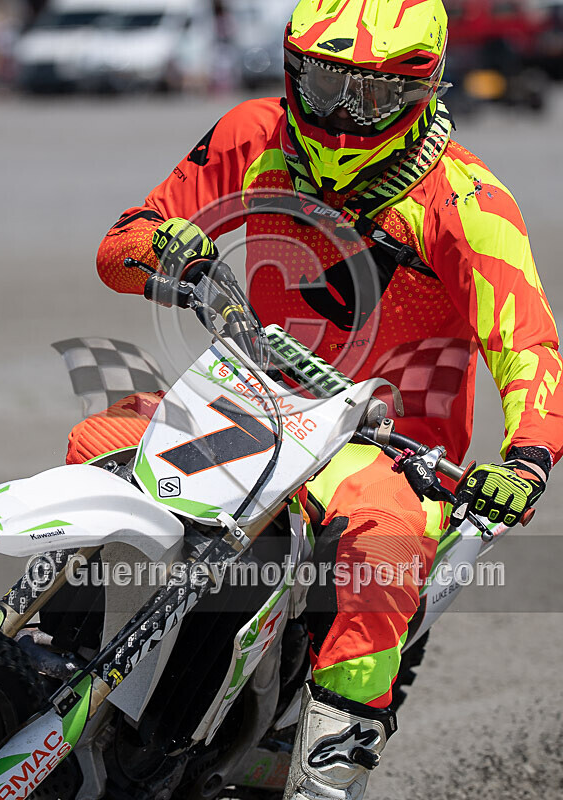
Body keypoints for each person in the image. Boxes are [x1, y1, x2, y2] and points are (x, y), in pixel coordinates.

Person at [67, 1, 563, 797]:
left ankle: (322, 785)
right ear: (292, 68)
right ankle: (55, 670)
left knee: (388, 540)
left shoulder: (470, 206)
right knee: (98, 441)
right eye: (323, 83)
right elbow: (119, 245)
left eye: (367, 98)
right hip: (247, 407)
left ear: (420, 93)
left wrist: (528, 458)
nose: (338, 115)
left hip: (389, 451)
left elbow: (529, 347)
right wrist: (161, 244)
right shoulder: (250, 132)